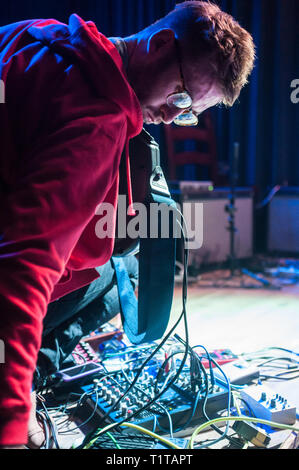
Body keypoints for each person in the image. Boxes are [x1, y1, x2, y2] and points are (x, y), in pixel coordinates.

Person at [0, 1, 255, 448]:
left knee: (111, 258)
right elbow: (23, 267)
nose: (174, 118)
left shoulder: (35, 34)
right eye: (179, 97)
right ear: (159, 44)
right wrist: (12, 422)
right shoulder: (98, 119)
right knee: (117, 267)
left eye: (190, 110)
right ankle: (27, 380)